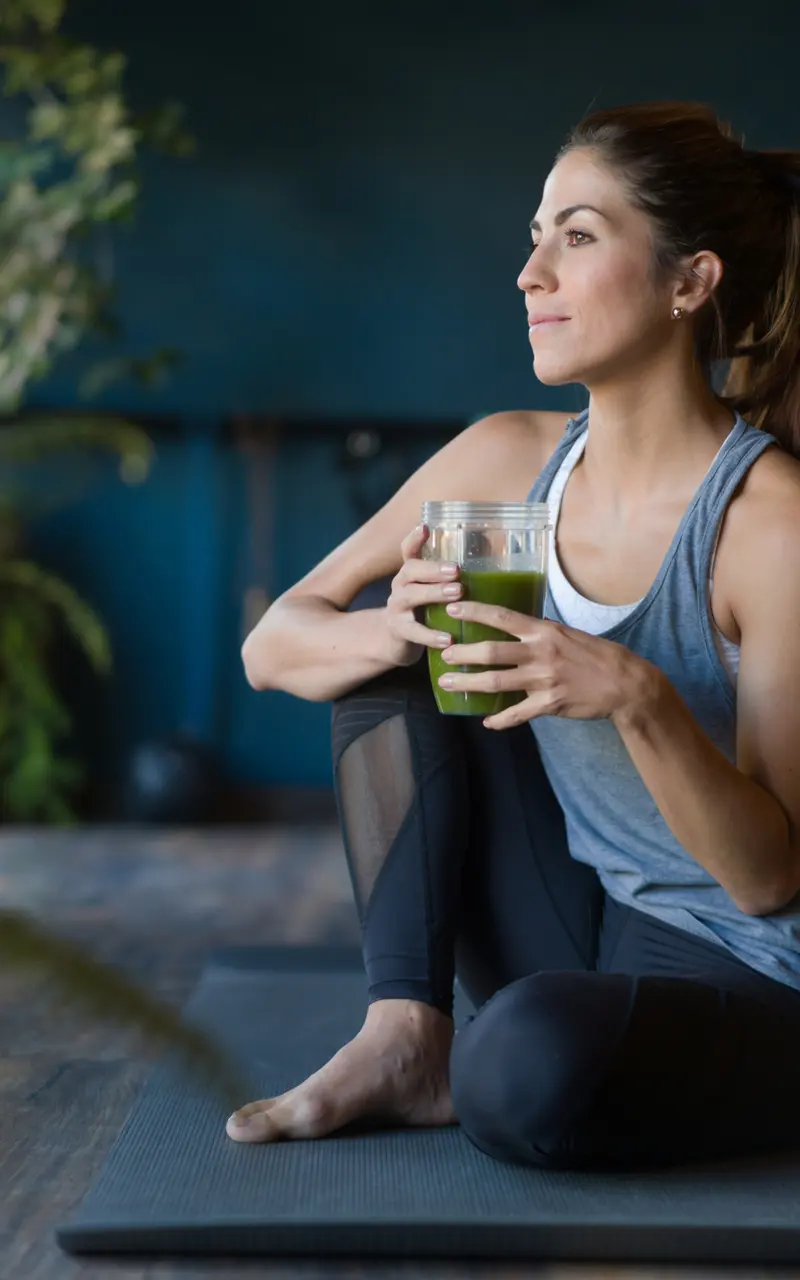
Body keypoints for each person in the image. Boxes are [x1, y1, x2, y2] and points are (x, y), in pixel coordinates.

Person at [227, 101, 800, 1170]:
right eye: (533, 237)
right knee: (390, 659)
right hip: (584, 914)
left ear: (690, 281)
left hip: (752, 968)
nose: (530, 272)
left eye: (575, 237)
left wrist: (637, 695)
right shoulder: (504, 461)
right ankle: (404, 1034)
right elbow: (273, 643)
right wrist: (390, 632)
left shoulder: (767, 522)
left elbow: (769, 878)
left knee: (525, 1070)